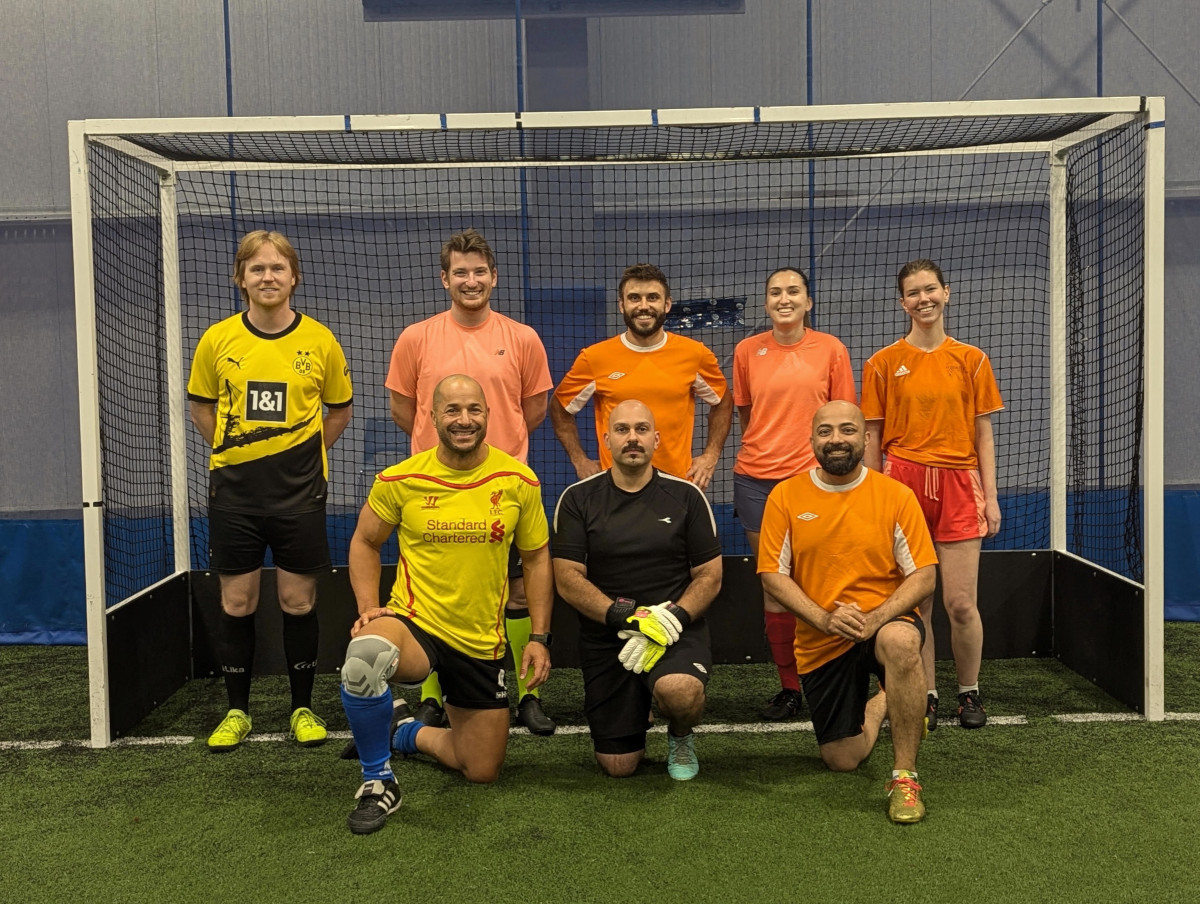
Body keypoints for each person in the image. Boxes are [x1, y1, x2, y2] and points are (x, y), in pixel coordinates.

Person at [339, 374, 553, 835]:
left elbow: (536, 559)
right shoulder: (400, 479)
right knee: (364, 658)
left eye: (474, 409)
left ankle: (403, 731)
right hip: (415, 623)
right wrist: (369, 607)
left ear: (488, 415)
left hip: (480, 638)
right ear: (432, 415)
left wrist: (539, 636)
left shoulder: (518, 480)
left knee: (481, 769)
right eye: (452, 410)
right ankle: (378, 780)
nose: (464, 420)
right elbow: (364, 541)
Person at [186, 230, 353, 751]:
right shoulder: (217, 339)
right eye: (256, 268)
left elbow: (339, 410)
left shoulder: (320, 340)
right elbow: (200, 406)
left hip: (299, 497)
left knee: (298, 602)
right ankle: (237, 711)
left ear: (294, 277)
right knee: (237, 602)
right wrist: (241, 453)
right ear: (240, 278)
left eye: (277, 268)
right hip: (234, 497)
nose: (268, 277)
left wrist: (299, 454)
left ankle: (303, 708)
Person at [385, 228, 556, 735]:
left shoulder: (522, 338)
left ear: (494, 277)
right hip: (433, 495)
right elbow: (405, 410)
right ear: (445, 279)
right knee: (434, 603)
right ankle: (432, 701)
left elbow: (533, 410)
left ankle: (528, 695)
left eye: (480, 271)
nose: (471, 280)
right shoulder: (415, 338)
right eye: (460, 272)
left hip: (504, 492)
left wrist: (494, 454)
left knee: (518, 595)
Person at [758, 401, 937, 823]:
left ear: (866, 438)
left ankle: (905, 778)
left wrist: (876, 619)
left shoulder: (895, 496)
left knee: (900, 641)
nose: (836, 439)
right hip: (823, 637)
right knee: (842, 758)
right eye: (825, 431)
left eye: (847, 430)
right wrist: (823, 619)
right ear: (812, 440)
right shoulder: (785, 496)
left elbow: (924, 576)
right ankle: (887, 700)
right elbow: (772, 576)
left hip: (883, 622)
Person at [861, 259, 1003, 731]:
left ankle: (969, 691)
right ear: (902, 303)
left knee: (960, 604)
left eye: (930, 289)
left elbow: (983, 434)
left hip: (961, 486)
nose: (923, 299)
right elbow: (872, 438)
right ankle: (925, 695)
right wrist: (874, 498)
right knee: (915, 606)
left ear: (946, 292)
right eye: (913, 293)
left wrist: (991, 498)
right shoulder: (881, 364)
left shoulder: (973, 359)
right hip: (902, 486)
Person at [552, 400, 722, 780]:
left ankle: (680, 733)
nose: (633, 438)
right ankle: (637, 704)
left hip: (674, 631)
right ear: (606, 439)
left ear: (656, 440)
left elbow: (710, 576)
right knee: (618, 766)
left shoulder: (686, 496)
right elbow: (567, 579)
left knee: (679, 692)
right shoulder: (578, 499)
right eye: (623, 429)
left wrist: (672, 617)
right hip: (610, 636)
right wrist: (627, 617)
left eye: (642, 429)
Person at [732, 267, 856, 722]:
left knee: (823, 583)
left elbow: (844, 417)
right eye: (775, 292)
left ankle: (832, 678)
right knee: (775, 585)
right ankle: (790, 688)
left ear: (808, 301)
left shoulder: (831, 349)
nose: (784, 299)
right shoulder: (747, 351)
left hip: (814, 483)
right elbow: (747, 415)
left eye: (793, 291)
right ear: (766, 303)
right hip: (755, 482)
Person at [550, 263, 732, 491]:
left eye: (652, 298)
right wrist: (580, 461)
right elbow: (559, 407)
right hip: (614, 491)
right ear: (621, 305)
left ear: (667, 304)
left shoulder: (695, 355)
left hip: (676, 488)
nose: (643, 306)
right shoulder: (594, 358)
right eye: (634, 298)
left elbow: (723, 401)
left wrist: (711, 455)